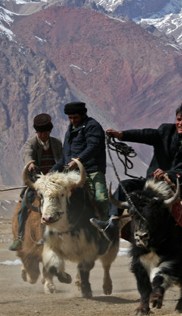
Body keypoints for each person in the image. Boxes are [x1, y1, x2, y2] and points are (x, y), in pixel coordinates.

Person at [94, 101, 182, 234]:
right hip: (153, 182)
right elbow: (145, 134)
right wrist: (121, 135)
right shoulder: (165, 131)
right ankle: (111, 222)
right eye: (179, 120)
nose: (181, 123)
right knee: (125, 184)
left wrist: (168, 174)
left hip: (180, 184)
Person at [9, 113, 62, 251]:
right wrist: (31, 164)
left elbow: (62, 160)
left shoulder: (57, 143)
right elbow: (28, 154)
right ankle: (20, 238)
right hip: (36, 182)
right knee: (23, 208)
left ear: (50, 131)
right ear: (37, 132)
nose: (43, 135)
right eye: (40, 132)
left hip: (54, 184)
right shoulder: (31, 143)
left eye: (45, 132)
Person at [51, 102, 110, 222]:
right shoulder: (70, 131)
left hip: (92, 170)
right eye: (70, 118)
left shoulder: (93, 126)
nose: (73, 120)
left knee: (101, 199)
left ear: (83, 115)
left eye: (75, 117)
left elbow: (94, 146)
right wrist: (51, 172)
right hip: (73, 174)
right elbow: (65, 157)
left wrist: (78, 160)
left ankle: (105, 226)